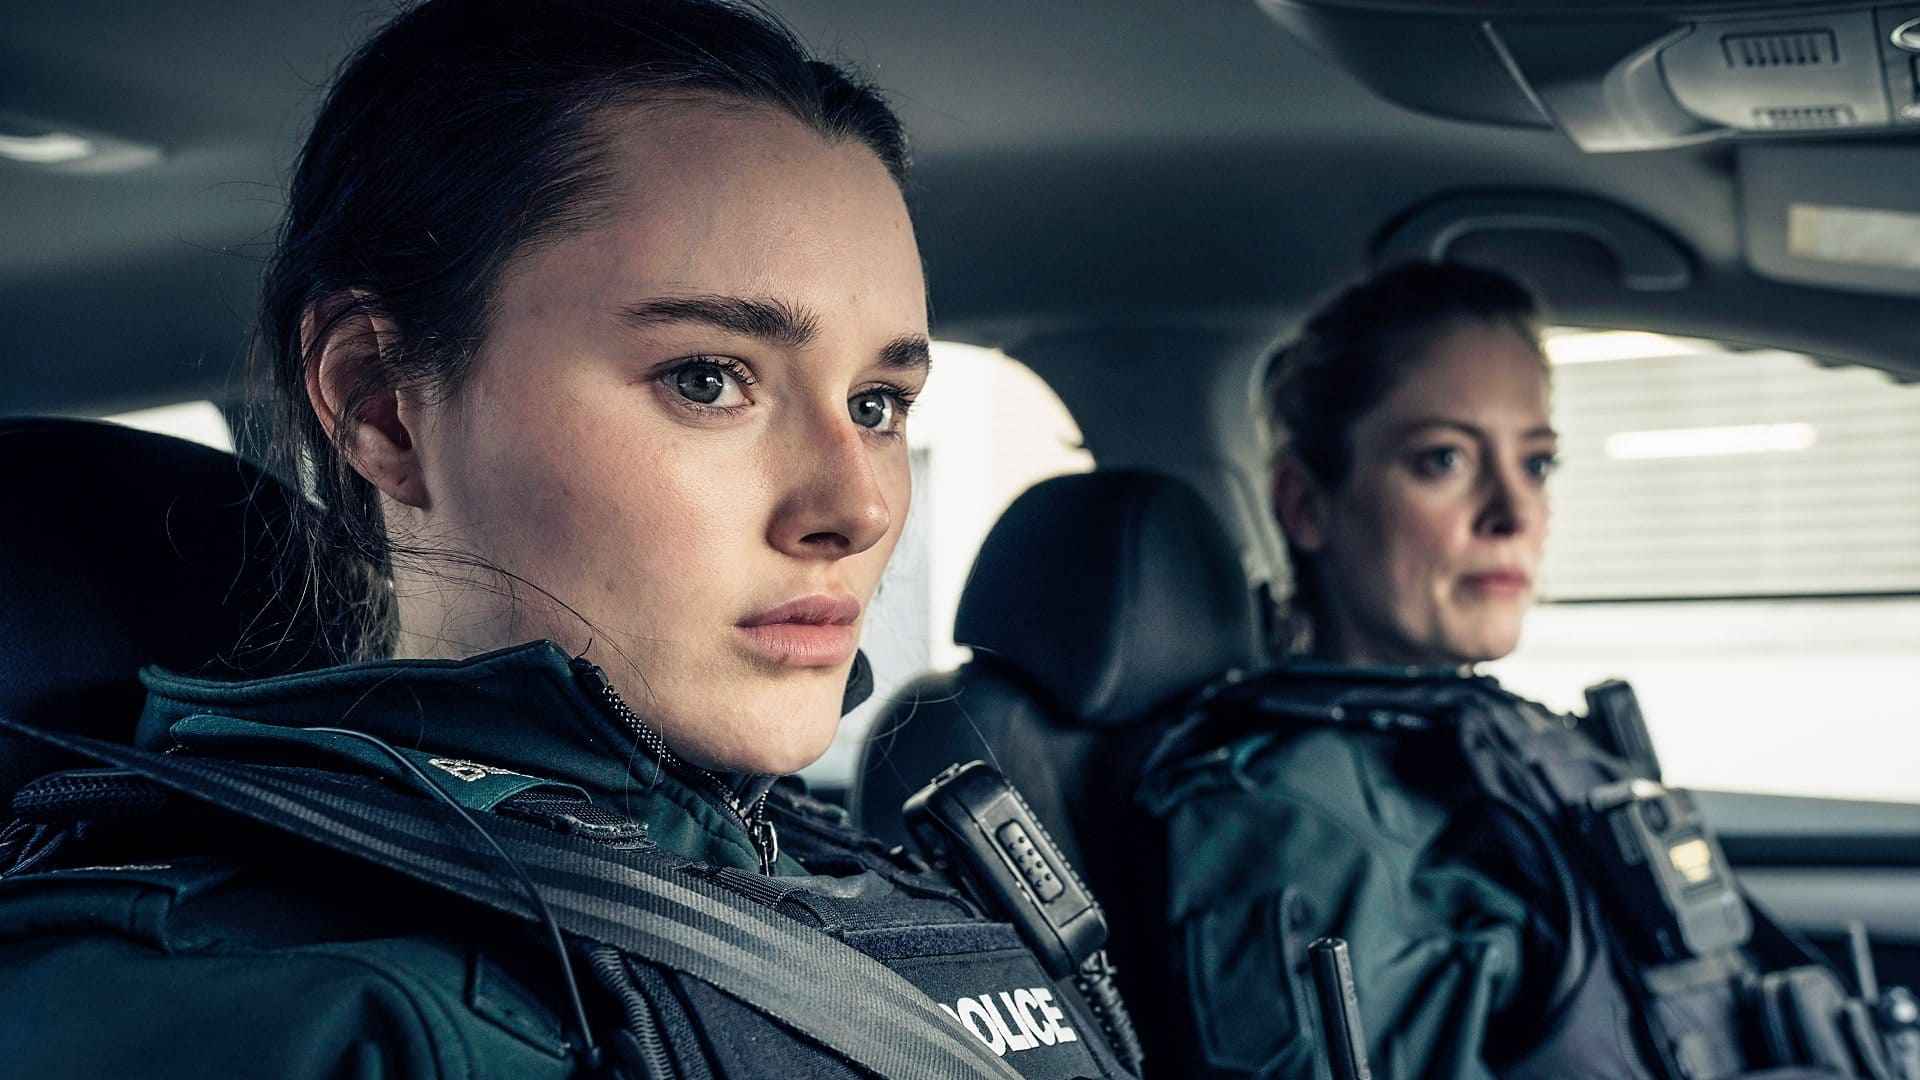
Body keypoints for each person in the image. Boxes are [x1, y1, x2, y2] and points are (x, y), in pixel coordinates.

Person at [0, 3, 1139, 1077]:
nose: (862, 507)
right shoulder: (288, 1013)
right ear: (382, 402)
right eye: (708, 380)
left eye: (878, 404)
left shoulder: (838, 871)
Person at [1139, 262, 1886, 1080]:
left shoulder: (1498, 740)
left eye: (1536, 464)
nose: (1514, 513)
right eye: (1444, 460)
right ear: (1306, 506)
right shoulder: (1289, 823)